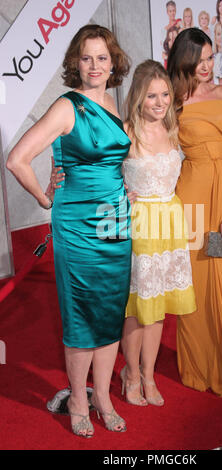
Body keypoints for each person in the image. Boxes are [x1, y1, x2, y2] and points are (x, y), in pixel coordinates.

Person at [6, 25, 132, 437]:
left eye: (101, 57)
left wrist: (122, 186)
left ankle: (104, 396)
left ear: (112, 62)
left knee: (111, 311)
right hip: (78, 228)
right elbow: (17, 159)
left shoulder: (113, 102)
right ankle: (79, 398)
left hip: (116, 223)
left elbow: (112, 160)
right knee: (81, 314)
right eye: (86, 57)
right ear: (74, 63)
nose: (94, 65)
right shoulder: (67, 107)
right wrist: (45, 199)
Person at [167, 28, 222, 396]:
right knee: (194, 284)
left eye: (209, 58)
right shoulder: (171, 100)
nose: (206, 66)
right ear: (184, 59)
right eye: (199, 59)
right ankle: (197, 365)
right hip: (191, 197)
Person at [120, 60, 196, 407]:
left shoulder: (174, 128)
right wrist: (119, 194)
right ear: (138, 97)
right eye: (152, 95)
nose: (160, 101)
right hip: (138, 226)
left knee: (159, 306)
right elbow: (100, 176)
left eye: (165, 94)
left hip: (171, 223)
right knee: (138, 308)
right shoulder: (125, 132)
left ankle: (149, 374)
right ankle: (131, 373)